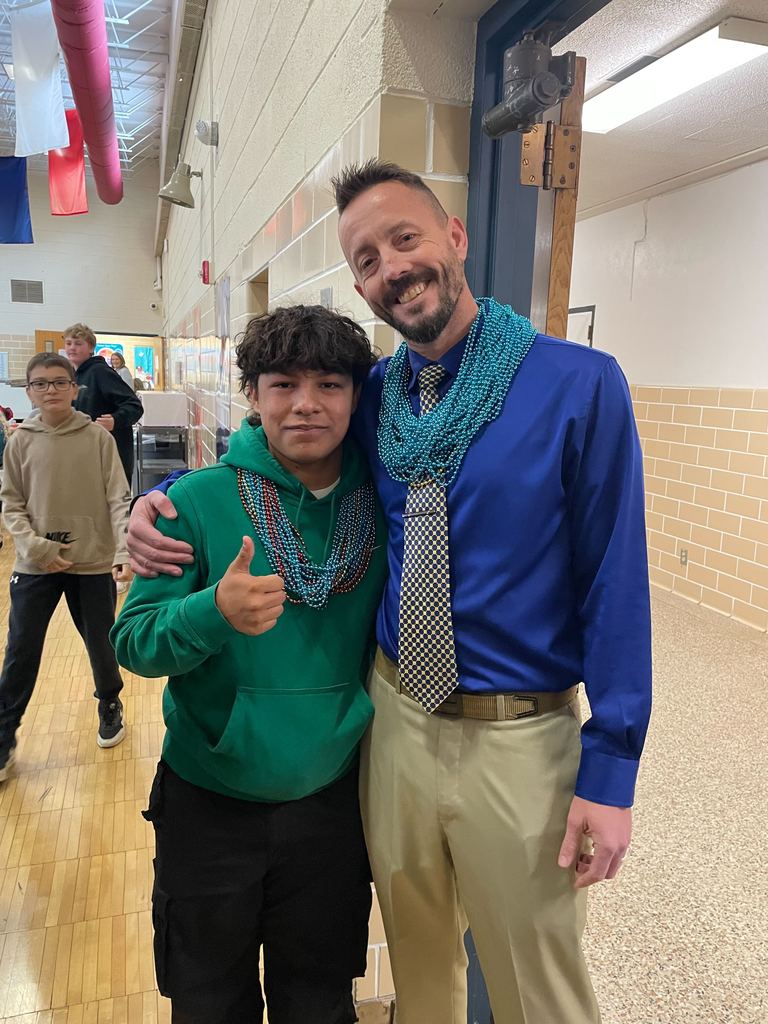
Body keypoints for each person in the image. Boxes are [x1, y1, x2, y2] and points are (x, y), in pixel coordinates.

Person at [126, 161, 652, 1024]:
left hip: (518, 738)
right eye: (365, 259)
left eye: (403, 238)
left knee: (538, 982)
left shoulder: (579, 386)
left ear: (455, 237)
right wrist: (150, 507)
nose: (389, 267)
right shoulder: (374, 399)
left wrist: (615, 766)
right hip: (394, 723)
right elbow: (274, 454)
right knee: (419, 965)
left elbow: (615, 584)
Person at [111, 305, 387, 1024]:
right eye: (283, 383)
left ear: (356, 396)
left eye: (329, 384)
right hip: (210, 804)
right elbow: (135, 642)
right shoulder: (197, 502)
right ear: (253, 395)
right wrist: (212, 613)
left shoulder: (385, 505)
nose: (305, 404)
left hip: (330, 804)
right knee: (209, 1002)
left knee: (319, 1001)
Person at [0, 354, 132, 784]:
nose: (51, 390)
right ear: (29, 392)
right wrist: (34, 546)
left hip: (91, 560)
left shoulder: (96, 438)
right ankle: (5, 731)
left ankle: (109, 702)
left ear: (75, 389)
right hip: (36, 563)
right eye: (41, 384)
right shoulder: (20, 440)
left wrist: (123, 551)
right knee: (21, 649)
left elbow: (118, 497)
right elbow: (12, 503)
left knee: (100, 641)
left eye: (60, 382)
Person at [64, 323, 143, 486]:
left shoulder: (100, 372)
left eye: (78, 343)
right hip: (86, 455)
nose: (72, 348)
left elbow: (134, 405)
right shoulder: (74, 376)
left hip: (110, 458)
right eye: (68, 343)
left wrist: (115, 420)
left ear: (91, 347)